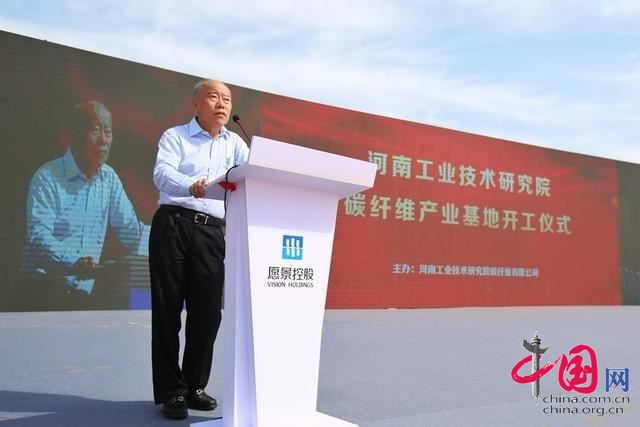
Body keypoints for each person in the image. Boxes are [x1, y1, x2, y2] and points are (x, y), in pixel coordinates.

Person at [149, 80, 249, 419]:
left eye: (227, 99)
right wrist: (188, 185)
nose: (222, 104)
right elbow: (162, 173)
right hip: (173, 224)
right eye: (213, 97)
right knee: (168, 311)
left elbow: (251, 176)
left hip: (211, 232)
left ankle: (194, 386)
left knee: (207, 314)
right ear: (195, 104)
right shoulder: (175, 137)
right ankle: (171, 391)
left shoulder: (236, 143)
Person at [20, 101, 146, 310]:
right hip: (41, 293)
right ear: (75, 133)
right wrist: (75, 262)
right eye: (95, 130)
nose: (103, 140)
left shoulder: (109, 179)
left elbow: (132, 233)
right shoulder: (47, 177)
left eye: (108, 132)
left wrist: (171, 239)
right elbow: (37, 239)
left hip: (80, 299)